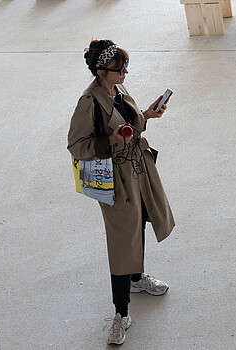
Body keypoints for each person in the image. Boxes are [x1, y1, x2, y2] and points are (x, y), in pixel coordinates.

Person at [67, 39, 175, 345]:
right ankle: (121, 313)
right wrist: (110, 141)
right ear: (101, 72)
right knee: (121, 241)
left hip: (138, 170)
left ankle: (137, 278)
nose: (125, 73)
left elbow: (132, 125)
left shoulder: (119, 90)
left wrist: (147, 115)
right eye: (119, 69)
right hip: (115, 179)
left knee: (139, 222)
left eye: (125, 67)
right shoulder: (88, 103)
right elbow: (76, 145)